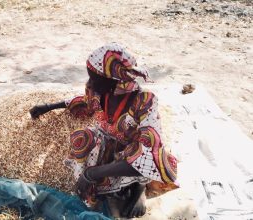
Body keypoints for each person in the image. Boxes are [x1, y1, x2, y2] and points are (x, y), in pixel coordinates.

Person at [30, 43, 178, 218]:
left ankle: (139, 188)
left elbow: (149, 156)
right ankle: (100, 189)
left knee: (147, 156)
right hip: (107, 144)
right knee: (84, 137)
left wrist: (91, 174)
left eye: (95, 78)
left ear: (114, 79)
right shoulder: (100, 92)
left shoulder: (144, 101)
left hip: (130, 153)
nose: (90, 83)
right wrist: (48, 107)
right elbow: (83, 101)